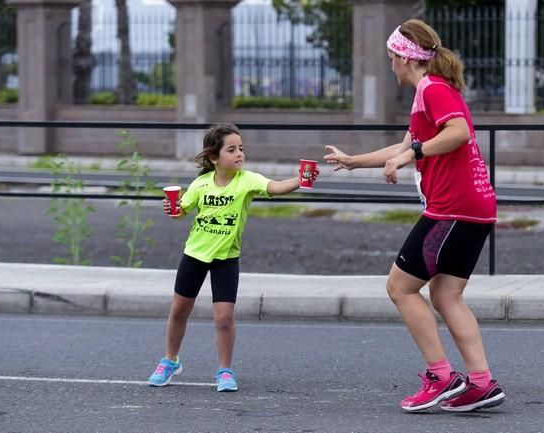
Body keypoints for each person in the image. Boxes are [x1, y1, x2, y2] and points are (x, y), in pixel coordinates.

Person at [323, 19, 504, 412]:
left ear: (407, 59)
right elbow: (404, 144)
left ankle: (441, 377)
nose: (391, 66)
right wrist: (354, 162)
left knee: (399, 287)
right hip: (475, 207)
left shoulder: (432, 88)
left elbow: (457, 133)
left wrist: (412, 155)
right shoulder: (433, 91)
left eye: (392, 58)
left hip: (452, 209)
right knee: (445, 294)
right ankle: (481, 383)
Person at [148, 123, 318, 392]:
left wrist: (301, 178)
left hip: (226, 258)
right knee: (179, 310)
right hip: (194, 255)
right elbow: (181, 211)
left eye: (241, 148)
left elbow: (276, 187)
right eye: (232, 149)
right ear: (215, 157)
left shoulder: (247, 180)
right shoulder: (200, 184)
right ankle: (170, 361)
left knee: (224, 317)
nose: (239, 153)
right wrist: (172, 207)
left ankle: (224, 370)